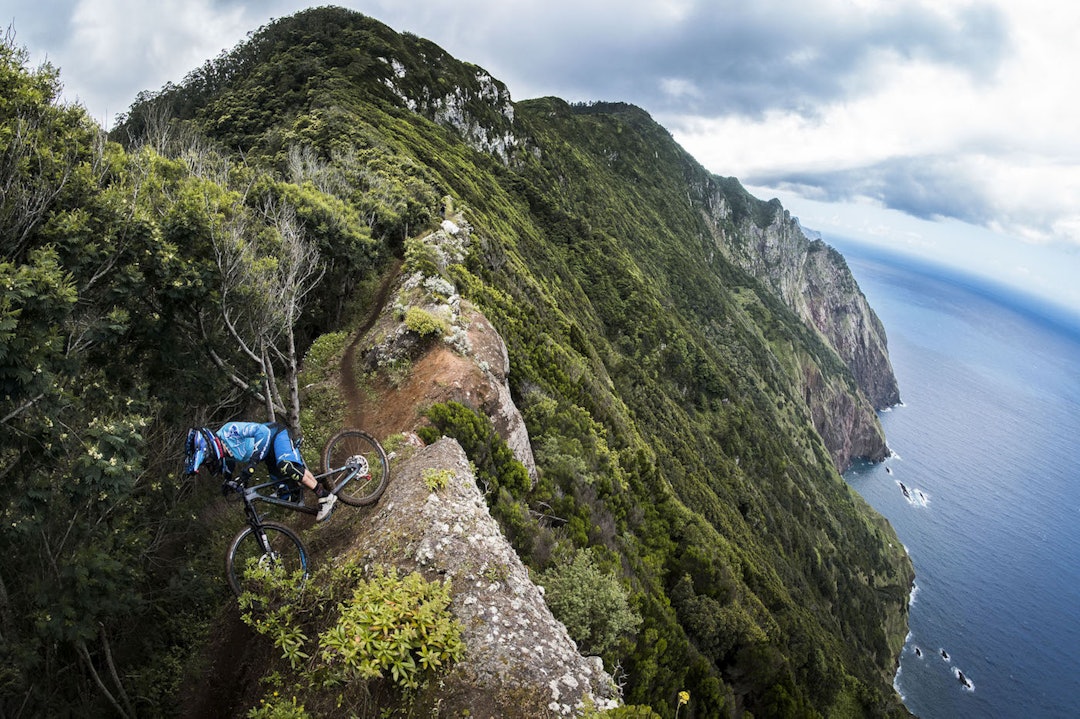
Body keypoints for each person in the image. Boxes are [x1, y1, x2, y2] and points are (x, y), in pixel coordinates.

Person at [184, 421, 337, 521]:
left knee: (286, 466)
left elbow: (262, 432)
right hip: (268, 456)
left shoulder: (229, 431)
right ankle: (321, 478)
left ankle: (325, 496)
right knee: (287, 497)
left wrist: (252, 465)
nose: (209, 463)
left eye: (207, 460)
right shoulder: (226, 456)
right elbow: (230, 475)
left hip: (277, 435)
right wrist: (229, 484)